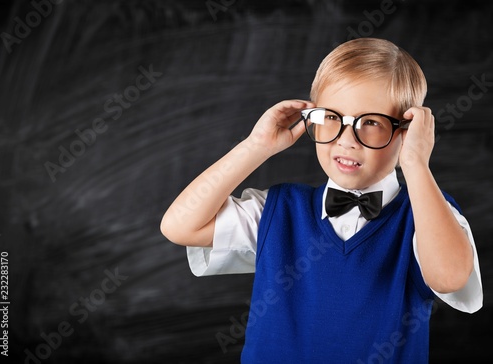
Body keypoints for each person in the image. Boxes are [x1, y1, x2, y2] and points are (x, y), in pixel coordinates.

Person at [160, 38, 483, 363]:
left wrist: (415, 163)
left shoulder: (428, 217)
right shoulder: (278, 210)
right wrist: (256, 146)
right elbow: (179, 226)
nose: (346, 140)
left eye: (370, 122)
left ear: (406, 132)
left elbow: (449, 276)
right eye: (330, 116)